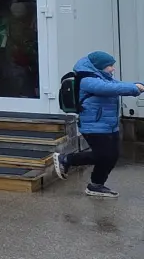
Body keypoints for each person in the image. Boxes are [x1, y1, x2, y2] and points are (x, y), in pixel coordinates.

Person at [54, 51, 143, 198]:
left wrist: (137, 85)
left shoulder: (101, 76)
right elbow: (110, 89)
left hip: (109, 125)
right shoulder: (87, 80)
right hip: (94, 126)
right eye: (110, 66)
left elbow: (117, 84)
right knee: (103, 155)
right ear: (100, 66)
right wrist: (135, 88)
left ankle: (96, 185)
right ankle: (66, 159)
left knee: (112, 156)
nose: (112, 69)